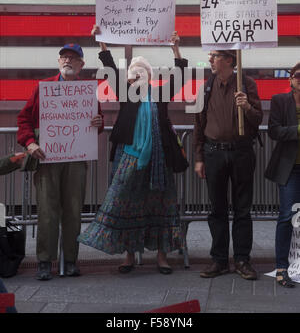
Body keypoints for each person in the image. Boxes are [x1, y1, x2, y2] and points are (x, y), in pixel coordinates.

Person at [78, 27, 188, 274]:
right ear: (128, 79)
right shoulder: (126, 94)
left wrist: (175, 48)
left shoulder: (159, 95)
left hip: (159, 160)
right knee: (125, 204)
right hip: (129, 157)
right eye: (133, 74)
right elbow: (108, 68)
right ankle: (128, 256)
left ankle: (161, 257)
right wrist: (102, 42)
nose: (136, 76)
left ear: (149, 77)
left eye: (141, 73)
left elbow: (180, 75)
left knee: (161, 206)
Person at [17, 44, 104, 281]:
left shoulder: (87, 91)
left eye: (73, 58)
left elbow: (96, 123)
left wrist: (99, 122)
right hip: (47, 158)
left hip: (76, 160)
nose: (68, 60)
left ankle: (71, 260)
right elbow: (23, 119)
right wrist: (29, 143)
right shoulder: (42, 88)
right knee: (47, 211)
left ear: (81, 65)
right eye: (64, 57)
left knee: (74, 211)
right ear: (58, 62)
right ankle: (45, 261)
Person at [194, 50, 263, 280]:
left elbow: (258, 118)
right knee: (217, 209)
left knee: (242, 209)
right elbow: (199, 123)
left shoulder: (246, 83)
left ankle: (242, 260)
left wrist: (247, 108)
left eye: (215, 56)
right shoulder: (207, 85)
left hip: (241, 152)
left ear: (230, 60)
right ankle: (219, 260)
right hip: (213, 153)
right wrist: (199, 157)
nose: (210, 60)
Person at [265, 62, 300, 288]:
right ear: (290, 79)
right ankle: (281, 268)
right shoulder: (280, 100)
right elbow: (274, 131)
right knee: (287, 216)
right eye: (298, 75)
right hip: (291, 168)